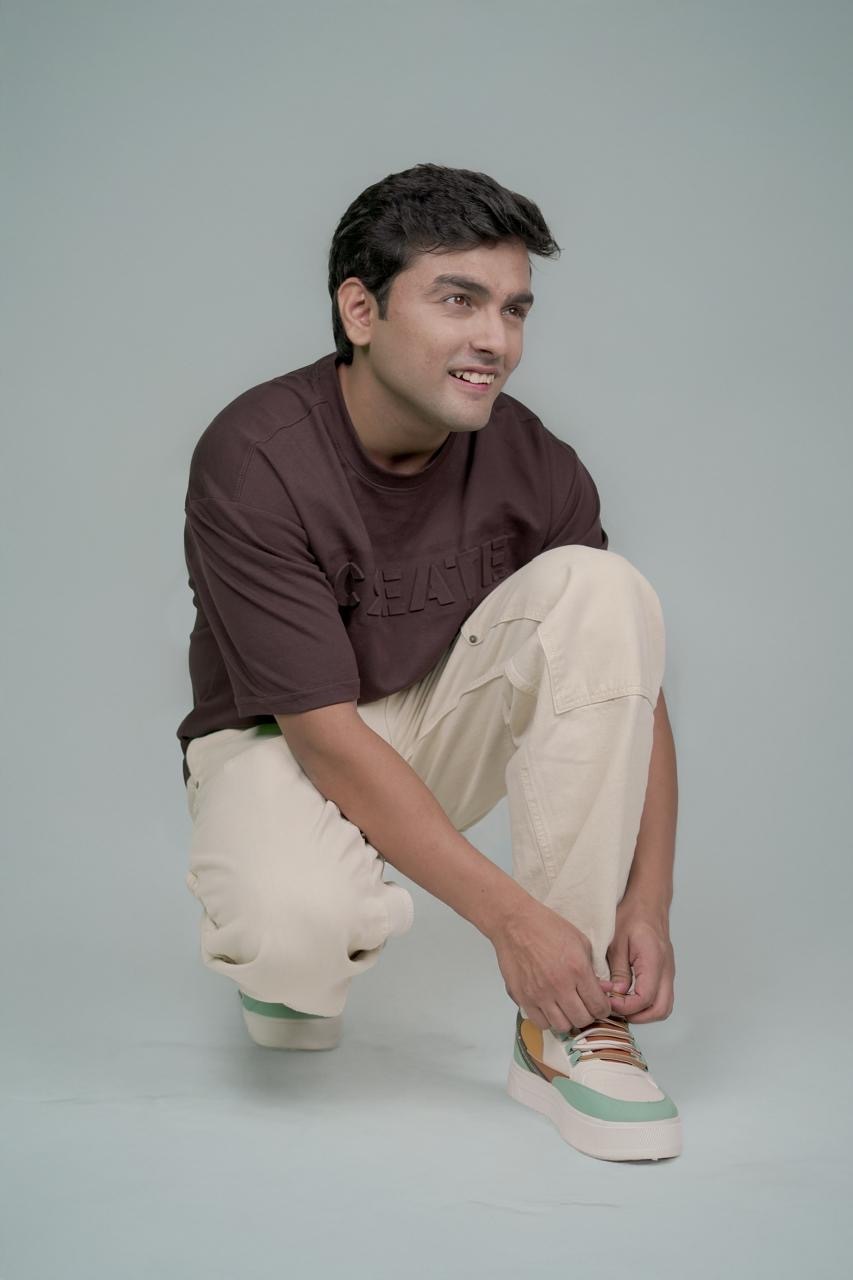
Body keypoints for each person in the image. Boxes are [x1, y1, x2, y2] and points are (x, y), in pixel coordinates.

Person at [176, 162, 681, 1163]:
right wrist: (511, 922)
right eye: (458, 301)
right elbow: (325, 738)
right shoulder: (256, 456)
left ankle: (565, 1028)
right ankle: (300, 942)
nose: (495, 339)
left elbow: (627, 683)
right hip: (281, 741)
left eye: (513, 309)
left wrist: (646, 902)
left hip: (436, 726)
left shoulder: (532, 458)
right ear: (360, 310)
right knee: (292, 938)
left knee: (604, 587)